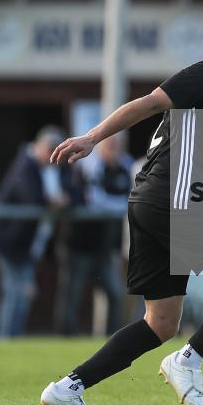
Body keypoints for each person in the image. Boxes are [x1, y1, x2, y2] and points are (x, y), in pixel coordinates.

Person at [40, 20, 203, 405]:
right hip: (174, 202)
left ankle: (67, 388)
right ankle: (188, 361)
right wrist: (93, 138)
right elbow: (150, 102)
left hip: (156, 203)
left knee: (160, 323)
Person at [0, 126, 77, 337]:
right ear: (38, 146)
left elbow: (75, 194)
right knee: (17, 291)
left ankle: (10, 337)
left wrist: (64, 200)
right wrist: (56, 201)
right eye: (49, 149)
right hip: (9, 243)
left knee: (23, 291)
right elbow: (32, 197)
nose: (51, 155)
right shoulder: (25, 165)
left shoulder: (57, 168)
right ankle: (6, 339)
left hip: (28, 245)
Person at [55, 135, 132, 335]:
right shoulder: (90, 168)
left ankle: (112, 339)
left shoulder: (126, 168)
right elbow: (96, 201)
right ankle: (65, 338)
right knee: (73, 295)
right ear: (101, 149)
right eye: (110, 147)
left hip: (104, 248)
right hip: (80, 245)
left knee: (115, 294)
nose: (114, 151)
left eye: (117, 147)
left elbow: (133, 199)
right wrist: (120, 207)